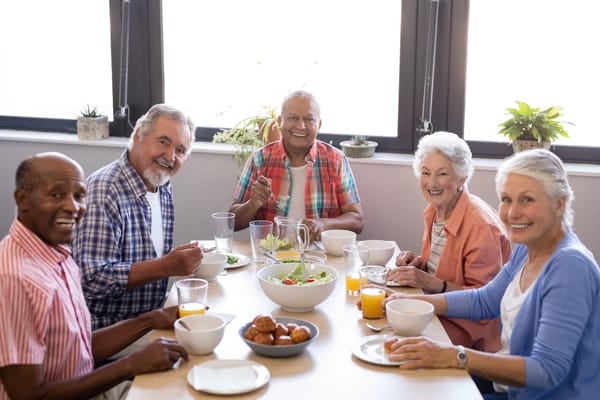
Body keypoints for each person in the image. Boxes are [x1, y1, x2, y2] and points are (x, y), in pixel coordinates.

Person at [382, 149, 600, 399]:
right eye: (506, 199)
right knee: (407, 378)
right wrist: (409, 302)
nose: (512, 212)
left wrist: (453, 355)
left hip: (532, 394)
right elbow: (484, 301)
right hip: (507, 385)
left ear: (558, 204)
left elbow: (546, 370)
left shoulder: (570, 267)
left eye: (527, 199)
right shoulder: (528, 250)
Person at [0, 152, 188, 400]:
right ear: (22, 199)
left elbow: (78, 351)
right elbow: (28, 395)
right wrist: (131, 365)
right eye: (56, 194)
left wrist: (150, 319)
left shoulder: (57, 252)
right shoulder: (15, 277)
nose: (72, 207)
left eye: (79, 196)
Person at [72, 104, 203, 330]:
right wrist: (165, 266)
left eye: (180, 151)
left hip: (148, 319)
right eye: (163, 142)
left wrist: (177, 262)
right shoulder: (105, 190)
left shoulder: (161, 185)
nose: (170, 156)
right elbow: (91, 280)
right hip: (107, 331)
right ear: (137, 136)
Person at [387, 131, 511, 352]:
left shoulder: (481, 226)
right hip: (437, 313)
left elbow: (486, 302)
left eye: (442, 174)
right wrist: (417, 265)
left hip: (470, 335)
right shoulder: (437, 211)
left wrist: (431, 283)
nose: (432, 183)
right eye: (425, 173)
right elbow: (443, 267)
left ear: (461, 178)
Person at [228, 90, 364, 241]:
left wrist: (323, 224)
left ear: (319, 125)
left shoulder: (335, 159)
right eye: (293, 118)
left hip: (320, 257)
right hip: (270, 257)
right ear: (280, 121)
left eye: (309, 119)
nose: (301, 126)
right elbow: (233, 223)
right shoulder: (259, 159)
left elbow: (357, 221)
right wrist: (253, 203)